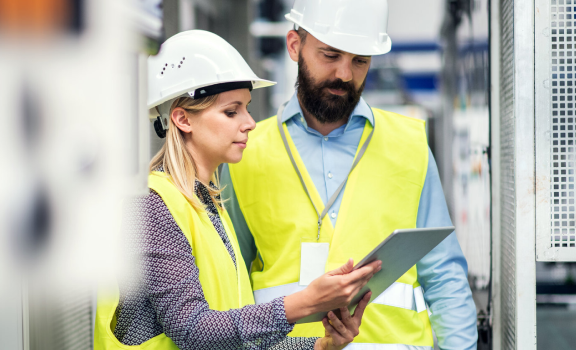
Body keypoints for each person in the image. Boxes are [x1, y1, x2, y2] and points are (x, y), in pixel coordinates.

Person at [94, 30, 382, 350]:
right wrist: (301, 304)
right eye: (232, 111)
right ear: (182, 119)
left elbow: (234, 340)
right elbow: (193, 331)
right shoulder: (152, 206)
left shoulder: (208, 204)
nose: (250, 123)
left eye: (246, 108)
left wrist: (323, 346)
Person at [221, 1, 478, 349]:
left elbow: (443, 275)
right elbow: (227, 278)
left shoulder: (410, 145)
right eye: (330, 55)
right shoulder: (245, 152)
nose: (345, 73)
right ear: (295, 46)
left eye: (360, 60)